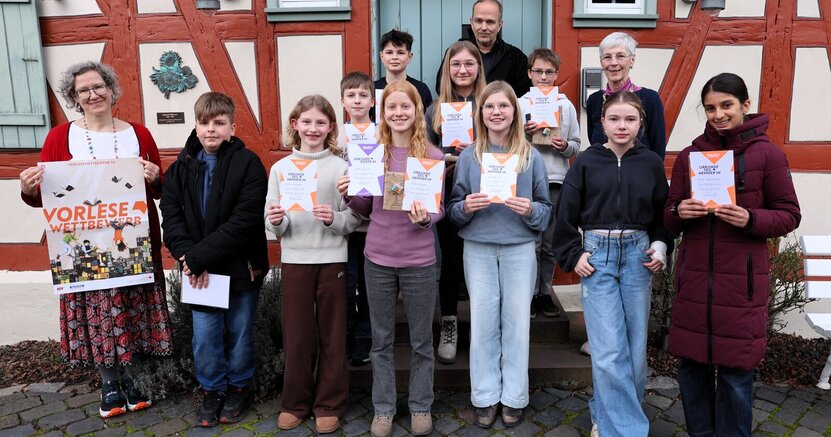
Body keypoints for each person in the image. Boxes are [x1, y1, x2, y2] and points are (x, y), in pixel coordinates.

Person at [19, 61, 172, 419]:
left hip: (133, 243)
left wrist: (155, 178)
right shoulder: (59, 137)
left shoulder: (139, 134)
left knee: (132, 308)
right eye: (83, 90)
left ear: (111, 88)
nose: (93, 94)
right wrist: (28, 190)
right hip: (83, 248)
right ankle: (108, 383)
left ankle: (134, 378)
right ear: (74, 97)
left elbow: (161, 190)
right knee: (98, 312)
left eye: (98, 86)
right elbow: (47, 194)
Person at [665, 73, 801, 437]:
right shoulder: (690, 156)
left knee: (736, 378)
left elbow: (789, 213)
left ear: (744, 104)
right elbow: (668, 213)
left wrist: (751, 218)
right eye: (710, 108)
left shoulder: (767, 154)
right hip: (694, 282)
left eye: (726, 105)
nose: (718, 115)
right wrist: (680, 212)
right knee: (691, 373)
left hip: (741, 287)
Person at [552, 90, 672, 437]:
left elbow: (662, 215)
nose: (622, 125)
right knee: (607, 352)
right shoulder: (587, 162)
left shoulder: (650, 162)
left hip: (637, 257)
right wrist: (575, 254)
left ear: (640, 123)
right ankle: (626, 430)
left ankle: (604, 416)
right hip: (598, 257)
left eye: (630, 119)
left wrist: (661, 246)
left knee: (634, 354)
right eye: (614, 119)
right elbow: (564, 215)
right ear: (601, 123)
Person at [337, 80, 443, 437]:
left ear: (417, 111)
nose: (399, 113)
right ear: (383, 113)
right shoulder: (369, 153)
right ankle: (383, 408)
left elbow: (438, 208)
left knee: (421, 340)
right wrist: (350, 194)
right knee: (381, 340)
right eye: (392, 108)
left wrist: (428, 218)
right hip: (378, 256)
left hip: (419, 258)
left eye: (405, 107)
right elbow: (365, 206)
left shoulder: (432, 155)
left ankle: (420, 405)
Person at [159, 92, 269, 427]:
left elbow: (244, 221)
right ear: (195, 125)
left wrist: (197, 256)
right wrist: (187, 258)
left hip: (239, 268)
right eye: (205, 123)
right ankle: (212, 390)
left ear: (232, 127)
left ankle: (239, 388)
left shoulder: (248, 164)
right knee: (205, 336)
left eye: (219, 123)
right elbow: (171, 216)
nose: (211, 130)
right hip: (199, 274)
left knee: (238, 334)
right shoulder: (180, 170)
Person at [448, 80, 552, 429]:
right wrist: (465, 206)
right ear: (481, 113)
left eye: (503, 106)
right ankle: (485, 396)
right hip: (478, 247)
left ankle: (514, 397)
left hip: (520, 248)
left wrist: (530, 211)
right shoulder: (468, 156)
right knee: (483, 324)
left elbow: (546, 210)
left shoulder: (530, 156)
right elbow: (453, 210)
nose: (497, 112)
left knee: (517, 324)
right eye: (490, 106)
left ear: (514, 112)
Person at [268, 95, 362, 434]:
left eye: (320, 122)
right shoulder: (280, 169)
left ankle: (329, 403)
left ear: (331, 127)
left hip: (332, 260)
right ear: (295, 124)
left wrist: (333, 219)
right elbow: (271, 226)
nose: (313, 128)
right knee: (297, 336)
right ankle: (294, 402)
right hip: (295, 261)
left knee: (333, 335)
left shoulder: (341, 167)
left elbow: (354, 219)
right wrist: (277, 220)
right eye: (306, 122)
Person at [425, 40, 487, 365]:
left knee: (481, 262)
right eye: (456, 64)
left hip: (484, 197)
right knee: (450, 261)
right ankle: (449, 324)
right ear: (447, 70)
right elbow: (423, 156)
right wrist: (444, 161)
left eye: (469, 64)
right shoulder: (435, 111)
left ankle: (482, 328)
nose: (462, 70)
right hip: (448, 194)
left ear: (479, 68)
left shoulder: (492, 105)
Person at [519, 47, 581, 319]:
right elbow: (506, 144)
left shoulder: (565, 105)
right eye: (538, 71)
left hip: (556, 180)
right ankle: (528, 294)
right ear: (529, 73)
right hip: (526, 180)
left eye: (549, 72)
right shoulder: (520, 104)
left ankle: (544, 292)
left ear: (556, 74)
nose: (543, 77)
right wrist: (523, 133)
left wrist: (564, 145)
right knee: (529, 241)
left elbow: (576, 146)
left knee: (549, 243)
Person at [337, 71, 376, 366]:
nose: (357, 100)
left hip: (373, 224)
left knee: (369, 283)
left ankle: (366, 337)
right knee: (347, 283)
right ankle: (347, 333)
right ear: (342, 101)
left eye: (363, 95)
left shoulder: (381, 133)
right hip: (344, 223)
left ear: (373, 101)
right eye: (351, 95)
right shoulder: (336, 136)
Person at [585, 31, 667, 160]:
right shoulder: (594, 100)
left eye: (620, 56)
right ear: (601, 62)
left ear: (632, 60)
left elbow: (658, 149)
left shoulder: (650, 99)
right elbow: (594, 143)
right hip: (603, 176)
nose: (613, 63)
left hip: (640, 175)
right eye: (607, 57)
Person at [435, 0, 531, 98]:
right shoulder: (454, 52)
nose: (484, 27)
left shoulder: (516, 58)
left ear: (499, 25)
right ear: (472, 23)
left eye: (490, 22)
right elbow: (441, 86)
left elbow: (522, 96)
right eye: (479, 21)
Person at [374, 29, 433, 113]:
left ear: (409, 56)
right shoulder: (372, 89)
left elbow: (428, 122)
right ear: (381, 56)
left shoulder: (421, 89)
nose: (394, 57)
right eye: (389, 52)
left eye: (400, 53)